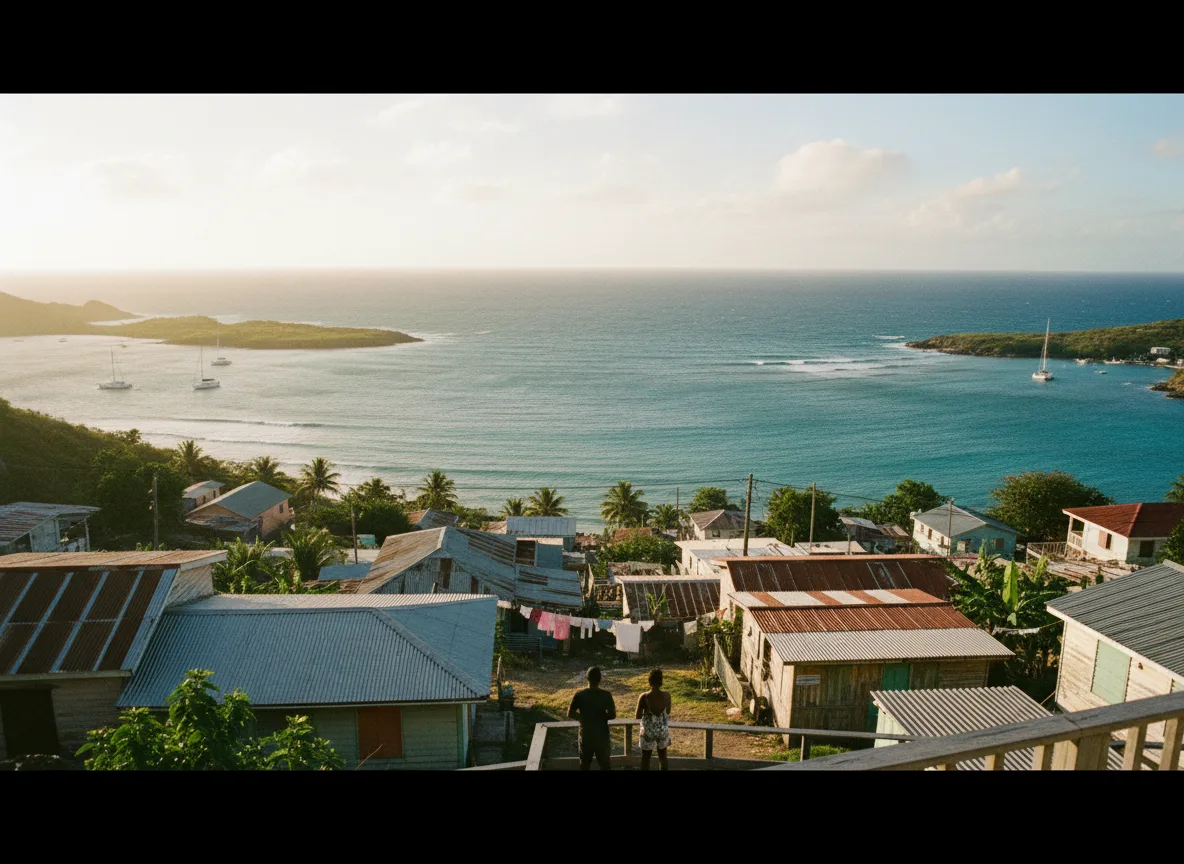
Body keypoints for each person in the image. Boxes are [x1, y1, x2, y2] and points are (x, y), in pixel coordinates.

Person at [567, 666, 617, 770]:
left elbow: (570, 713)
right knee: (605, 765)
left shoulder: (580, 695)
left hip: (586, 734)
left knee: (585, 764)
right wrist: (601, 717)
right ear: (600, 679)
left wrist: (583, 718)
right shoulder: (606, 695)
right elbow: (613, 715)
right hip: (601, 734)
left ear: (587, 678)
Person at [635, 667, 671, 770]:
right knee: (663, 757)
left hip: (647, 731)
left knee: (645, 758)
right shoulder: (667, 696)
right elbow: (668, 711)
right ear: (661, 682)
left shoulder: (644, 697)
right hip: (662, 729)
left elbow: (637, 716)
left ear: (649, 681)